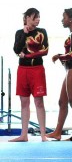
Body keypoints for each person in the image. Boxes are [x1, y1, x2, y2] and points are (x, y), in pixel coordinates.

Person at [46, 8, 72, 141]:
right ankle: (57, 132)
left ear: (71, 19)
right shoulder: (71, 34)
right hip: (70, 70)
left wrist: (59, 56)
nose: (62, 20)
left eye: (64, 17)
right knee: (62, 101)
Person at [10, 8, 49, 142]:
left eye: (39, 17)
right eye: (35, 17)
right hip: (22, 69)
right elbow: (16, 49)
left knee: (39, 101)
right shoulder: (19, 33)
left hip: (37, 69)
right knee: (24, 102)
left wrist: (26, 55)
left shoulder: (42, 32)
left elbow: (45, 50)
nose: (38, 19)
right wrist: (24, 34)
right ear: (27, 18)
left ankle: (43, 135)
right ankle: (24, 134)